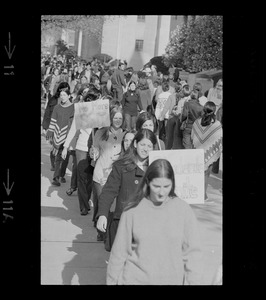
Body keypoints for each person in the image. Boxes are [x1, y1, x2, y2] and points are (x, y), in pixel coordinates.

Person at [106, 158, 203, 285]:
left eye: (166, 186)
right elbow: (119, 253)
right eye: (156, 186)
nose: (162, 192)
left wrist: (194, 281)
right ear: (147, 182)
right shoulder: (132, 211)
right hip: (135, 279)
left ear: (172, 183)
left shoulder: (183, 210)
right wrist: (111, 281)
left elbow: (193, 253)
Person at [96, 129, 158, 250]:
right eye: (143, 144)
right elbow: (108, 191)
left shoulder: (157, 169)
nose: (146, 149)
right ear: (135, 144)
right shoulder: (122, 166)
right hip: (124, 222)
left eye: (149, 146)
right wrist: (102, 214)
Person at [89, 106, 126, 240]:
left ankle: (109, 231)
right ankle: (101, 231)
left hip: (116, 175)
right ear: (110, 118)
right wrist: (93, 152)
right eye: (115, 117)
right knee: (101, 202)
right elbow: (95, 151)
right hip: (100, 174)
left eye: (120, 118)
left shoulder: (126, 135)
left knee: (113, 204)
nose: (117, 120)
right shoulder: (100, 133)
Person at [61, 88, 100, 214]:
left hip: (95, 149)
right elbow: (73, 129)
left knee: (91, 178)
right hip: (82, 148)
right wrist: (66, 147)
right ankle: (83, 206)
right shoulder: (81, 112)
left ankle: (87, 198)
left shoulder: (101, 113)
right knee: (82, 178)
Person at [191, 101, 223, 201]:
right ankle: (203, 195)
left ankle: (197, 193)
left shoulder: (197, 122)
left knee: (198, 173)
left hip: (198, 152)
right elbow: (219, 138)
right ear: (214, 111)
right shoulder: (217, 124)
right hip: (209, 152)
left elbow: (193, 136)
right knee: (206, 174)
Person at [46, 88, 74, 186]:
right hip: (58, 133)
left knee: (65, 157)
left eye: (64, 95)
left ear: (69, 96)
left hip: (69, 134)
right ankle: (56, 177)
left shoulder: (73, 107)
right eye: (61, 95)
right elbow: (53, 120)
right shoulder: (57, 107)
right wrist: (50, 131)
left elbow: (74, 122)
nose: (62, 97)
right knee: (58, 155)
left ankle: (61, 175)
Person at [42, 82, 71, 172]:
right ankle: (53, 164)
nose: (63, 91)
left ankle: (60, 169)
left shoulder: (70, 100)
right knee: (54, 146)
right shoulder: (53, 99)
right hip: (53, 125)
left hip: (65, 126)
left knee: (63, 147)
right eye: (62, 89)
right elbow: (47, 112)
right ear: (59, 89)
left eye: (65, 89)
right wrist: (45, 127)